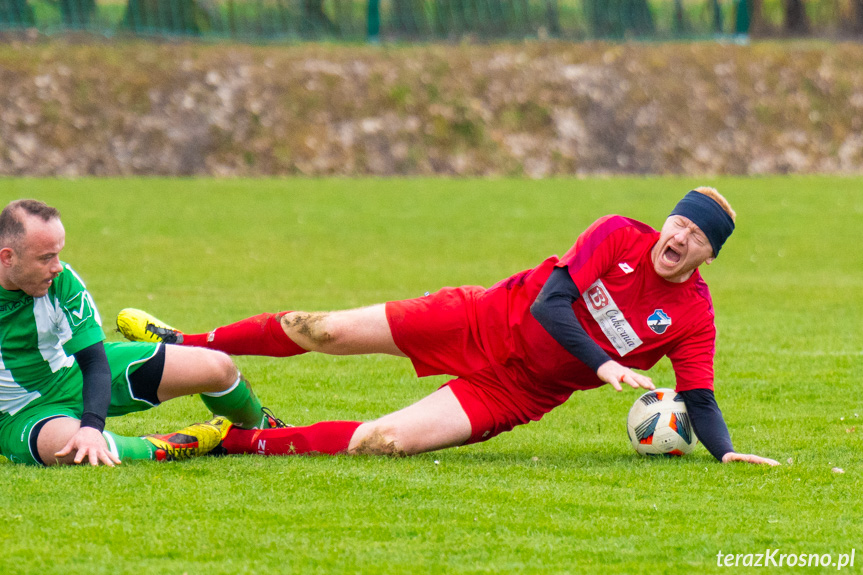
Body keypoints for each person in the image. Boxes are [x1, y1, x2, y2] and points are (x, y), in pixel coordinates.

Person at [118, 187, 779, 466]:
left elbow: (698, 396)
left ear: (706, 256)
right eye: (679, 222)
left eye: (696, 236)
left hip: (516, 392)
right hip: (481, 318)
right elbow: (552, 304)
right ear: (665, 222)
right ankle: (184, 345)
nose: (680, 235)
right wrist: (604, 364)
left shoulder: (692, 315)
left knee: (383, 440)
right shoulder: (616, 234)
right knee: (320, 328)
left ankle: (230, 441)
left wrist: (722, 450)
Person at [0, 199, 278, 467]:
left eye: (58, 254)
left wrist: (92, 425)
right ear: (8, 257)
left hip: (73, 373)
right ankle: (181, 443)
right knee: (77, 450)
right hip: (20, 413)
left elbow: (95, 362)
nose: (57, 266)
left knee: (217, 367)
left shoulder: (61, 280)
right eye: (46, 257)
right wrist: (87, 434)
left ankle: (264, 431)